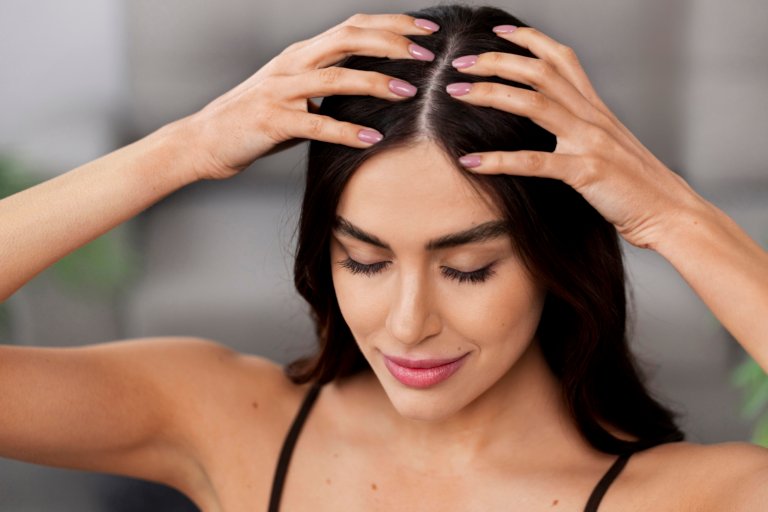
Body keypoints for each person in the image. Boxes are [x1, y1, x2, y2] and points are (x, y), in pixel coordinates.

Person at [1, 3, 767, 511]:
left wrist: (674, 215)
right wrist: (184, 147)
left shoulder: (688, 498)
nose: (407, 324)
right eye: (364, 261)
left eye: (468, 269)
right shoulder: (228, 421)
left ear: (553, 257)